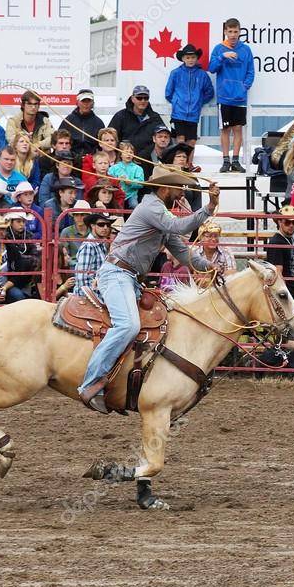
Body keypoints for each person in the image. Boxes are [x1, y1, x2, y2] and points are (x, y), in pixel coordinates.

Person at [77, 166, 220, 412]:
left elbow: (183, 253)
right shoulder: (151, 208)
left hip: (128, 277)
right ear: (165, 188)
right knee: (128, 325)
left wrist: (210, 267)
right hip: (117, 274)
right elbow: (180, 227)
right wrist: (209, 207)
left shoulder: (160, 215)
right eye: (178, 187)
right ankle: (90, 383)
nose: (182, 193)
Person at [209, 18, 255, 173]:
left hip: (240, 97)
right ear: (225, 32)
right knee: (225, 130)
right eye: (230, 31)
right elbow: (212, 68)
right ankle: (225, 160)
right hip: (224, 97)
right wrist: (222, 57)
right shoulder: (219, 49)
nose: (233, 35)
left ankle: (235, 161)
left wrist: (244, 87)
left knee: (238, 129)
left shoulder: (246, 50)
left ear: (240, 32)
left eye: (236, 31)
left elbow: (250, 71)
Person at [108, 86, 166, 178]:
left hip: (149, 161)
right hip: (124, 161)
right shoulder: (121, 116)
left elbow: (164, 137)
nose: (143, 101)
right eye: (139, 98)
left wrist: (145, 154)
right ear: (132, 99)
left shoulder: (155, 117)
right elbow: (110, 137)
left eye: (146, 98)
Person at [166, 43, 214, 146]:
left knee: (192, 141)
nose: (190, 60)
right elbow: (168, 93)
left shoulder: (202, 74)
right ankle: (180, 158)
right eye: (188, 57)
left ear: (197, 58)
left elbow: (210, 92)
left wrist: (199, 101)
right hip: (178, 114)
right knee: (180, 139)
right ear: (183, 58)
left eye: (193, 57)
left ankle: (188, 158)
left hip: (193, 114)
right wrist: (177, 102)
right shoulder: (175, 73)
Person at [265, 205, 294, 305]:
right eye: (287, 222)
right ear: (280, 222)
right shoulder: (276, 243)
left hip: (293, 292)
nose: (291, 225)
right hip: (285, 297)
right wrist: (285, 298)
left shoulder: (290, 239)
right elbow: (278, 273)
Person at [72, 211, 113, 295]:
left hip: (97, 293)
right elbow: (81, 277)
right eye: (101, 224)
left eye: (108, 225)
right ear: (92, 226)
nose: (105, 228)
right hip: (90, 296)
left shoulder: (101, 245)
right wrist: (89, 297)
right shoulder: (89, 246)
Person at [59, 89, 105, 159]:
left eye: (89, 101)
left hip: (92, 159)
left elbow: (102, 145)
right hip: (70, 158)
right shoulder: (68, 121)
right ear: (77, 103)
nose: (86, 104)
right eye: (83, 101)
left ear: (93, 103)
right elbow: (59, 140)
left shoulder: (99, 123)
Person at [108, 141, 144, 208]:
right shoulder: (113, 168)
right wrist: (117, 180)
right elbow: (108, 180)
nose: (128, 154)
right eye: (126, 152)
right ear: (121, 154)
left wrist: (130, 182)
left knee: (134, 205)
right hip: (117, 194)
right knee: (116, 206)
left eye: (131, 152)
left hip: (131, 194)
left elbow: (141, 183)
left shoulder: (138, 168)